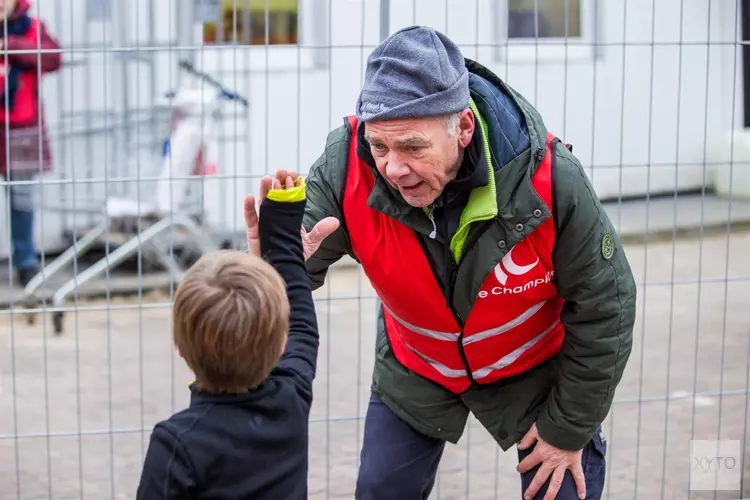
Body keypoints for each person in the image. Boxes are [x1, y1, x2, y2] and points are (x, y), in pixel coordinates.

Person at [246, 25, 637, 500]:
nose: (392, 168)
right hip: (419, 366)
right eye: (380, 146)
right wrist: (273, 264)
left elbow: (607, 305)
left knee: (564, 487)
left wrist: (568, 429)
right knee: (380, 491)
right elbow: (288, 272)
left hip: (536, 368)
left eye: (413, 146)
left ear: (464, 127)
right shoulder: (346, 164)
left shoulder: (549, 179)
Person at [135, 172, 321, 499]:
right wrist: (281, 230)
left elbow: (300, 324)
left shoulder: (177, 443)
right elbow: (303, 323)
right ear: (281, 344)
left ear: (179, 347)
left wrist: (280, 231)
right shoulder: (290, 399)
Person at [0, 0, 61, 286]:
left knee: (22, 200)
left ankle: (25, 262)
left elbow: (52, 58)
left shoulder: (34, 28)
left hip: (21, 129)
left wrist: (10, 44)